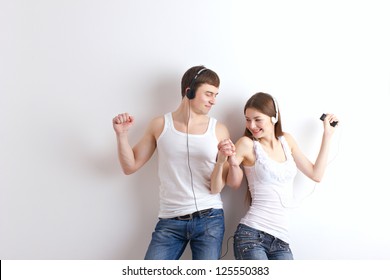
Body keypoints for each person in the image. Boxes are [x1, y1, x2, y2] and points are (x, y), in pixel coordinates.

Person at [112, 66, 230, 260]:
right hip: (170, 221)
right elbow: (129, 166)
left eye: (216, 95)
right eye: (209, 94)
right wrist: (122, 135)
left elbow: (219, 185)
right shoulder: (159, 125)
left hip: (210, 219)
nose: (213, 101)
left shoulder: (219, 130)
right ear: (189, 91)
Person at [211, 92, 339, 260]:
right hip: (251, 236)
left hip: (281, 241)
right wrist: (232, 164)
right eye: (247, 119)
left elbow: (316, 174)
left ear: (274, 117)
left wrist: (327, 135)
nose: (252, 125)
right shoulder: (247, 144)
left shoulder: (287, 141)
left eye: (257, 119)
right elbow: (231, 184)